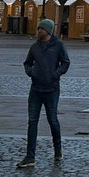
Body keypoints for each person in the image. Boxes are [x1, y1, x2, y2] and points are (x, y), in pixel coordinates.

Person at [18, 18, 70, 167]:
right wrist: (31, 72)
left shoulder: (58, 45)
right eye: (38, 28)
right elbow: (27, 63)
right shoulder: (35, 47)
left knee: (52, 120)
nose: (39, 30)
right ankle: (30, 156)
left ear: (48, 30)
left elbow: (65, 62)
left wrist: (56, 74)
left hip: (52, 89)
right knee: (32, 121)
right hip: (36, 88)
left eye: (41, 28)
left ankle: (58, 150)